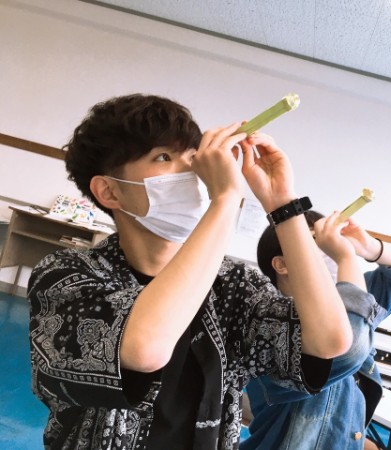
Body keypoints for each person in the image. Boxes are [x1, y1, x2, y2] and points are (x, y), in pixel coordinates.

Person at [27, 93, 366, 450]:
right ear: (109, 191)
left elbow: (330, 341)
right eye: (163, 157)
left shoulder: (233, 283)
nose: (193, 170)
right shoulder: (67, 275)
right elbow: (144, 348)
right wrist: (225, 200)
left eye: (191, 156)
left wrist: (282, 203)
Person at [241, 211, 391, 450]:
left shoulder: (341, 302)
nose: (328, 247)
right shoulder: (268, 324)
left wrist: (369, 247)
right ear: (282, 264)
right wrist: (346, 259)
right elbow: (349, 346)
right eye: (314, 240)